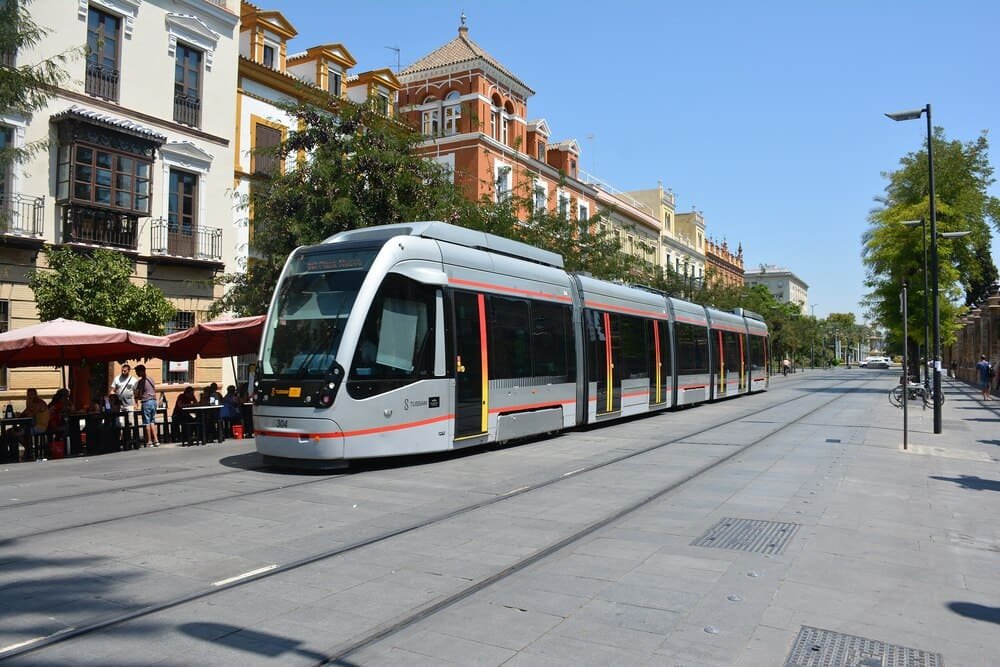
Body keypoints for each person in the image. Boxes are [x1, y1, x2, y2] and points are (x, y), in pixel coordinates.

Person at [133, 364, 160, 446]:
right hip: (154, 401)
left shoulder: (141, 382)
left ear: (141, 371)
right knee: (152, 421)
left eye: (137, 372)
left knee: (146, 422)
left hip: (146, 402)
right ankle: (156, 440)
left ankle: (149, 441)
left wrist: (136, 398)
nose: (136, 374)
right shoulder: (151, 379)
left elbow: (139, 393)